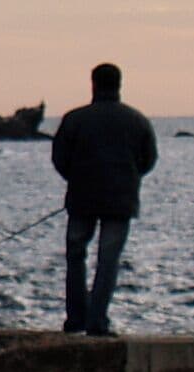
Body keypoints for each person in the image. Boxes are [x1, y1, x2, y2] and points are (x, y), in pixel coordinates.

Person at [50, 62, 156, 336]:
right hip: (121, 201)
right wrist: (128, 178)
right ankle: (97, 322)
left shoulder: (74, 119)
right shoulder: (137, 120)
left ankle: (75, 319)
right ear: (119, 85)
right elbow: (148, 160)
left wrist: (76, 179)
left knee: (76, 255)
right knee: (108, 260)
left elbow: (60, 159)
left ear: (93, 84)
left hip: (82, 199)